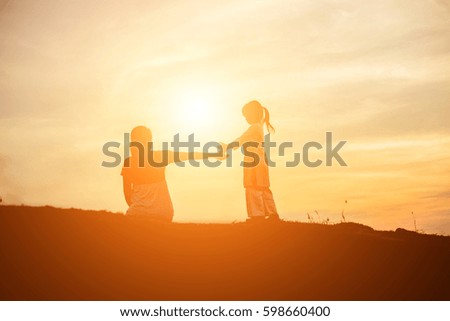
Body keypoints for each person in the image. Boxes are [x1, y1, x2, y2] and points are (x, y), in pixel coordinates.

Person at [121, 125, 222, 222]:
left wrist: (138, 207)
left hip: (139, 212)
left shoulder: (129, 162)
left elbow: (127, 193)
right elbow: (189, 155)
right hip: (163, 212)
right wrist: (213, 155)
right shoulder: (160, 156)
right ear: (149, 141)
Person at [224, 100, 280, 222]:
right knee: (263, 187)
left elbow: (241, 139)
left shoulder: (254, 128)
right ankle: (272, 213)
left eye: (246, 116)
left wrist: (227, 147)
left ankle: (257, 215)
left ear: (253, 114)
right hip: (260, 161)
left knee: (252, 186)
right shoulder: (259, 128)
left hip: (253, 162)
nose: (245, 119)